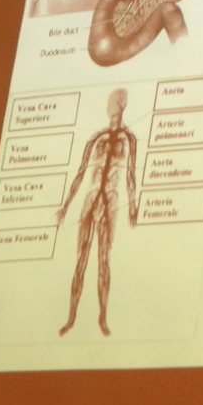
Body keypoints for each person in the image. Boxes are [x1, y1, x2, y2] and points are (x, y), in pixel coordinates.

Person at [56, 88, 138, 335]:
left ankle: (102, 318)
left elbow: (130, 174)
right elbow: (81, 173)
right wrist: (66, 205)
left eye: (112, 102)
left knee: (103, 261)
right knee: (80, 261)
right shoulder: (96, 138)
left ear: (120, 105)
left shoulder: (129, 139)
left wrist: (132, 204)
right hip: (91, 201)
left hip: (110, 201)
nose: (109, 107)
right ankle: (71, 318)